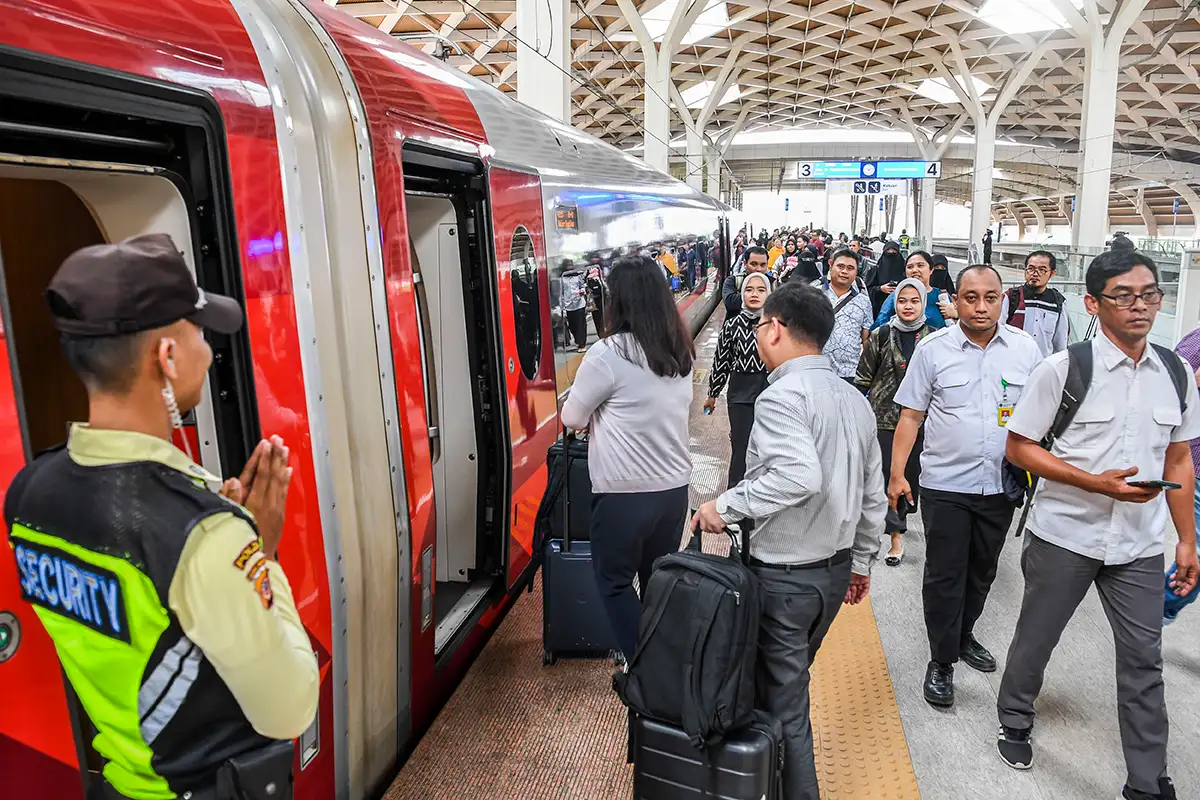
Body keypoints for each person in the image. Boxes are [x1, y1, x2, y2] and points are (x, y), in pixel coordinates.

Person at [5, 234, 318, 799]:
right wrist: (259, 553)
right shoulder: (203, 536)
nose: (208, 348)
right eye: (199, 332)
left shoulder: (28, 496)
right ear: (167, 357)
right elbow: (290, 706)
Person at [996, 250, 1199, 800]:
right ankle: (1014, 714)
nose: (1141, 306)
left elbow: (1179, 458)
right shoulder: (1063, 369)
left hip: (1137, 544)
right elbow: (1019, 447)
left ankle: (1146, 781)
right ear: (1093, 302)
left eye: (1150, 295)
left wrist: (1186, 540)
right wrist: (1094, 482)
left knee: (1143, 660)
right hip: (1065, 533)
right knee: (1037, 639)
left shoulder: (1177, 373)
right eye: (1124, 296)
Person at [692, 282, 886, 800]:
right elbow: (873, 496)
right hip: (831, 576)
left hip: (783, 580)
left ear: (775, 328)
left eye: (761, 326)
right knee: (786, 687)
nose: (758, 335)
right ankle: (759, 781)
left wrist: (722, 507)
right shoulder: (854, 399)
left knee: (786, 709)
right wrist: (862, 562)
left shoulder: (780, 396)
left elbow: (799, 477)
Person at [890, 265, 1042, 708]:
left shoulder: (1025, 350)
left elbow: (1040, 416)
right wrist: (898, 474)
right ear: (955, 300)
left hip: (1000, 486)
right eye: (970, 298)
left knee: (982, 571)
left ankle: (963, 634)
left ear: (1003, 300)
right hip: (945, 484)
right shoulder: (933, 350)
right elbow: (911, 416)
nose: (980, 306)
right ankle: (941, 661)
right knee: (944, 574)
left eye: (990, 297)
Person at [560, 255, 694, 660]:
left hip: (623, 496)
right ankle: (664, 658)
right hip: (673, 491)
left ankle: (647, 668)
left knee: (614, 582)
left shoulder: (607, 353)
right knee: (655, 581)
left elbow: (572, 417)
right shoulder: (679, 349)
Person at [856, 278, 933, 566]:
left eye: (914, 301)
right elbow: (864, 377)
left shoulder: (934, 337)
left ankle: (899, 519)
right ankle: (895, 538)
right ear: (895, 303)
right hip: (885, 419)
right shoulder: (881, 334)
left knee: (912, 477)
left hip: (921, 422)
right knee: (893, 476)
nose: (908, 306)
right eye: (902, 300)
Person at [705, 273, 772, 488]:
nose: (754, 294)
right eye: (749, 289)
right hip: (740, 394)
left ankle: (762, 499)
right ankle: (735, 502)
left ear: (769, 293)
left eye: (761, 290)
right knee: (741, 448)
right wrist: (712, 394)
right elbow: (721, 361)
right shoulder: (732, 325)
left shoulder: (777, 326)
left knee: (768, 448)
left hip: (771, 392)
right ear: (742, 293)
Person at [1168, 323, 1200, 625]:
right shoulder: (1198, 341)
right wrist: (1195, 381)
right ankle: (1154, 613)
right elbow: (1171, 385)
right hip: (1198, 464)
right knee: (1196, 559)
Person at [815, 248, 873, 383]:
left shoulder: (863, 301)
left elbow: (866, 340)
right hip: (816, 370)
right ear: (830, 266)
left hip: (849, 372)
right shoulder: (814, 295)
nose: (844, 271)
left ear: (856, 272)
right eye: (840, 266)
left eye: (850, 268)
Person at [1000, 250, 1068, 359]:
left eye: (1042, 270)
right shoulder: (1012, 297)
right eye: (1031, 269)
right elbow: (997, 331)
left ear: (1052, 273)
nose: (1035, 274)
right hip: (1013, 364)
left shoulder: (1058, 302)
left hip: (1043, 367)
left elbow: (1060, 343)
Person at [872, 251, 954, 330]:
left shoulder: (941, 297)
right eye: (910, 267)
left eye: (920, 265)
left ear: (931, 269)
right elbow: (880, 324)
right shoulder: (896, 296)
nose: (915, 270)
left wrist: (955, 315)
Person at [723, 246, 769, 316]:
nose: (759, 269)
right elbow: (730, 303)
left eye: (763, 265)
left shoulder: (773, 283)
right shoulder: (733, 280)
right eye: (754, 264)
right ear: (745, 264)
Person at [868, 240, 906, 317]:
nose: (891, 253)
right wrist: (880, 289)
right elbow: (868, 289)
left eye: (894, 252)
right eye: (888, 251)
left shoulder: (905, 271)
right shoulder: (875, 270)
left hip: (902, 310)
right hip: (879, 310)